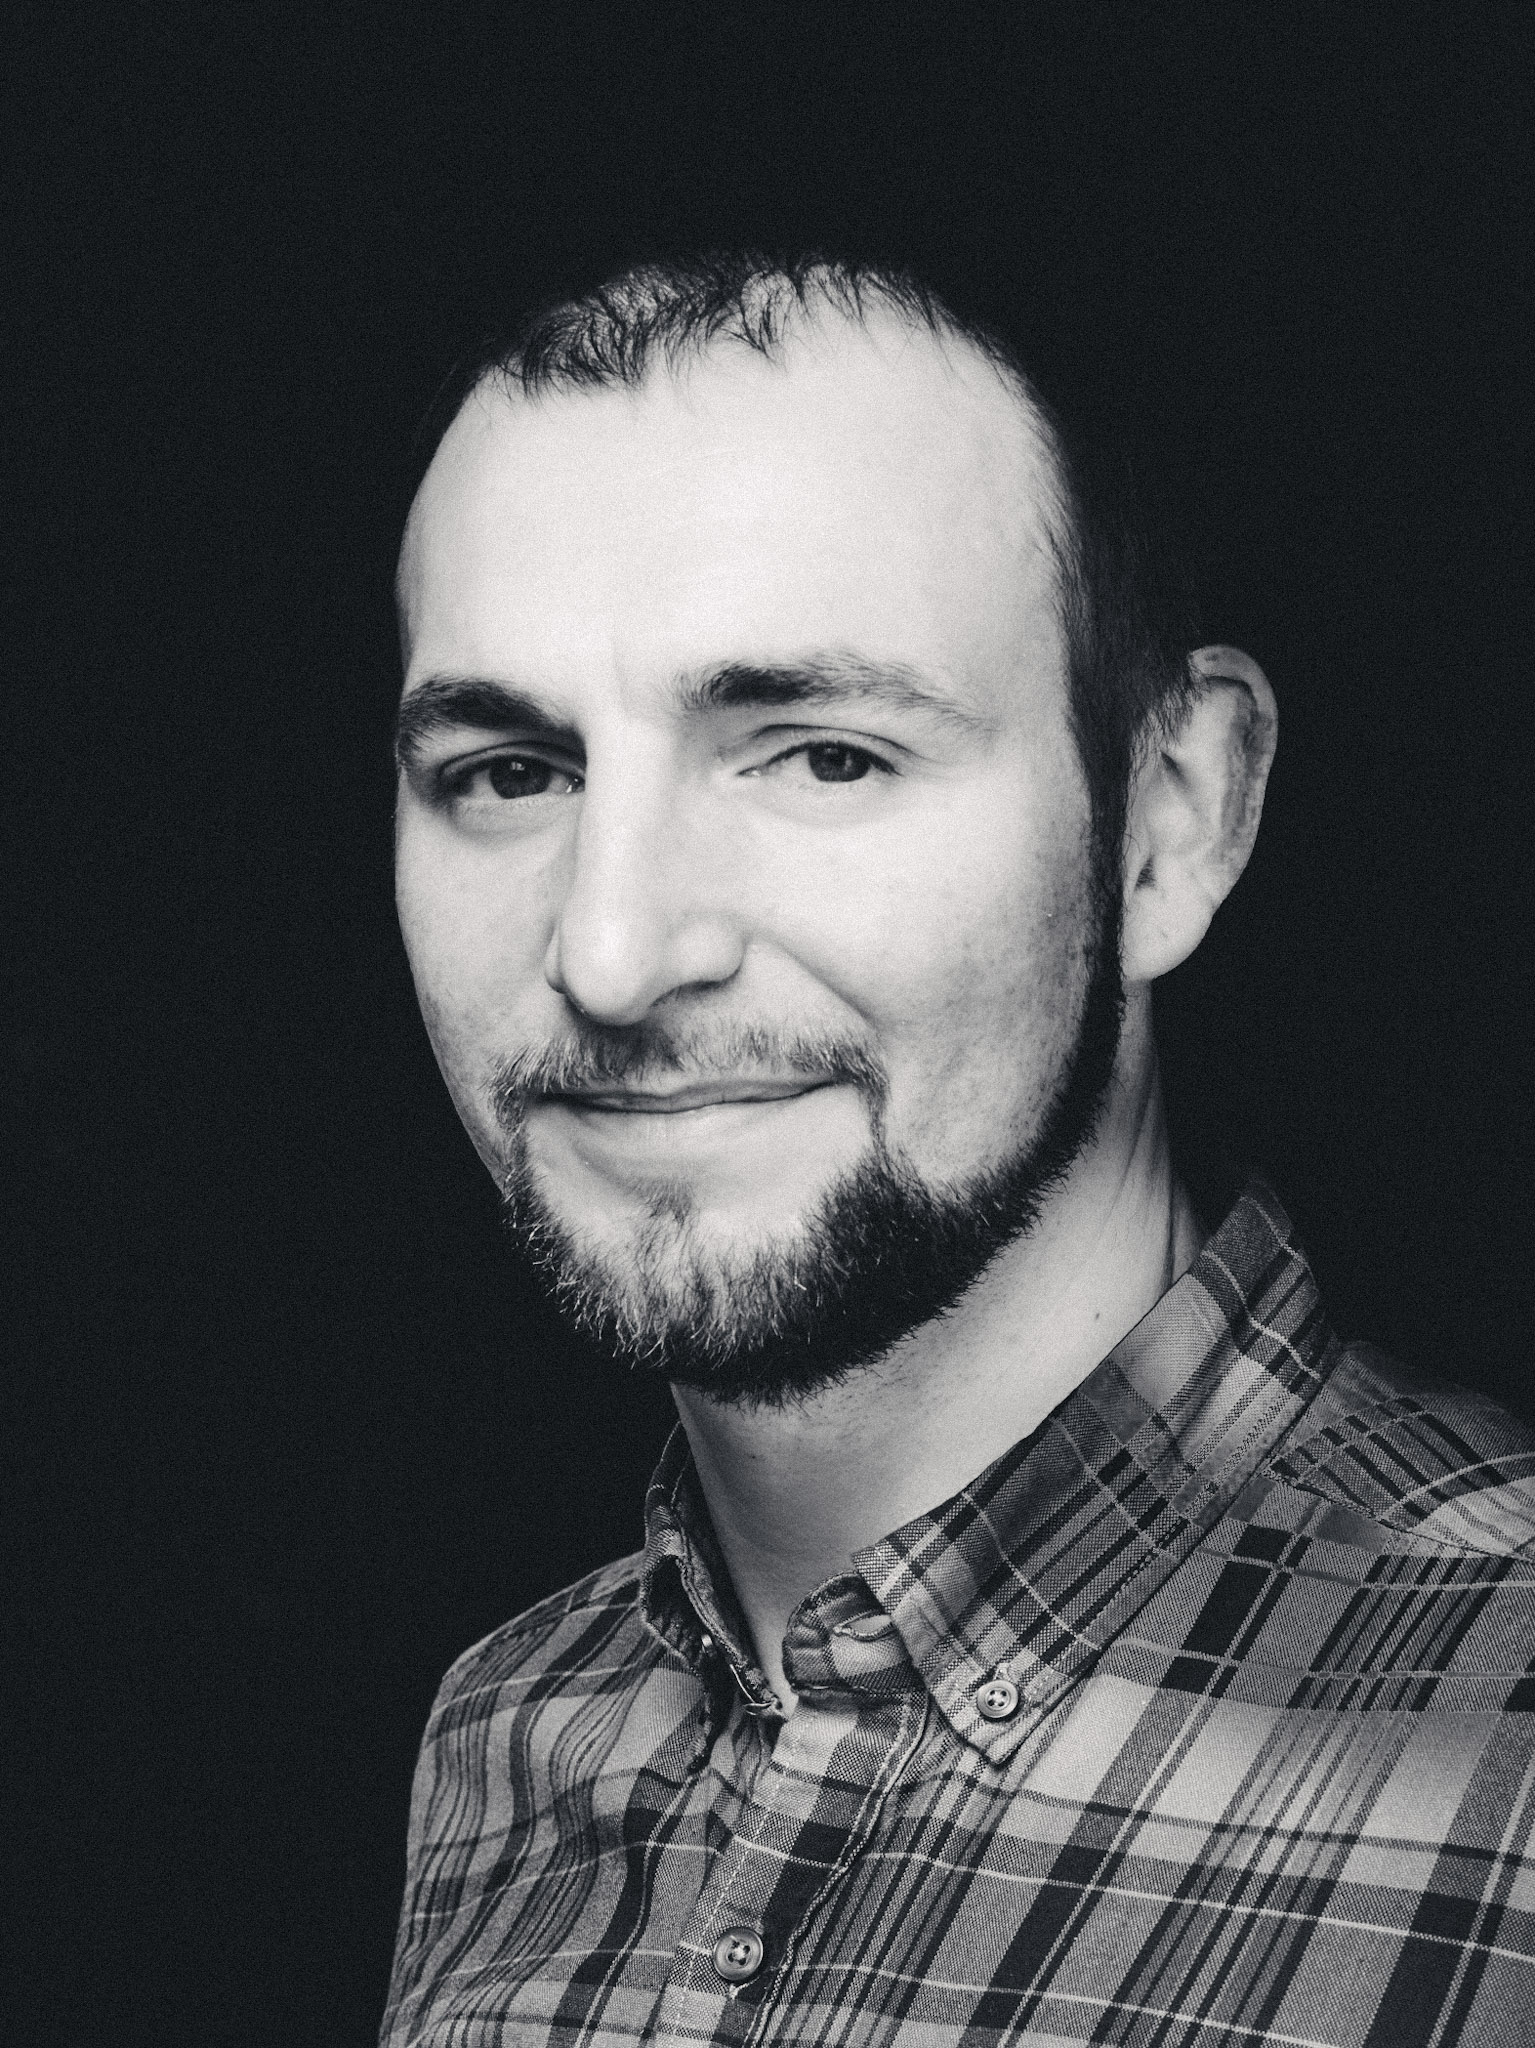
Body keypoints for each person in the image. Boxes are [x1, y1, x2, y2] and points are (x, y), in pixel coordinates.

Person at [379, 255, 1535, 2048]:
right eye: (512, 773)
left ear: (1173, 820)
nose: (611, 954)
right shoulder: (512, 1732)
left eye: (823, 757)